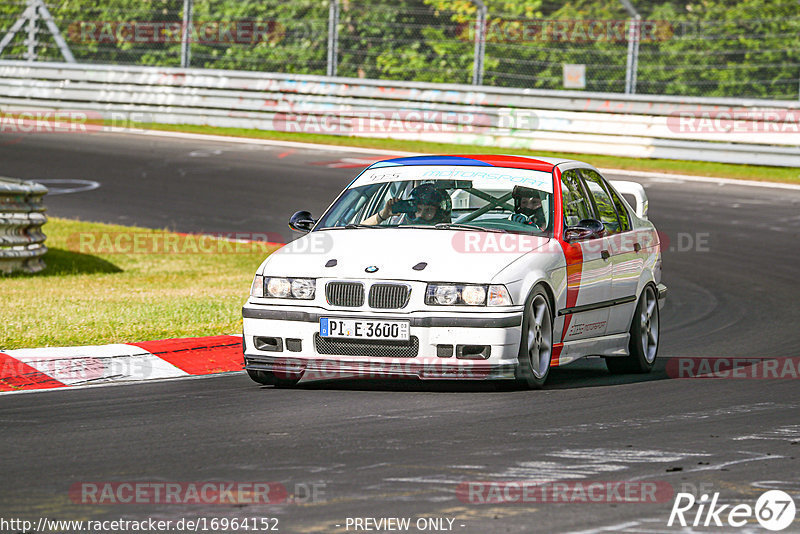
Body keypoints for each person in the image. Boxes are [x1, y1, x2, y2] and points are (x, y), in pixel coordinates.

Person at [364, 183, 451, 226]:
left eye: (428, 210)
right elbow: (356, 232)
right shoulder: (399, 233)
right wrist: (383, 215)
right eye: (418, 209)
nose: (420, 215)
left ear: (440, 212)